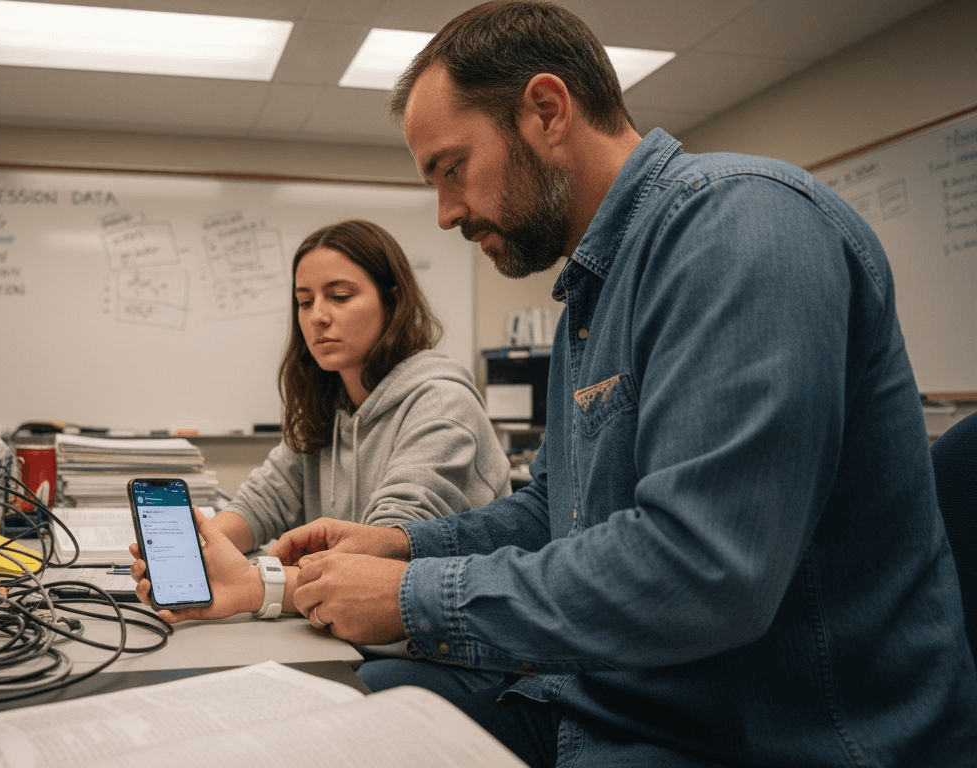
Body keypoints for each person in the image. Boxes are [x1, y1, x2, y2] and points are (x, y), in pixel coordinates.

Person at [272, 2, 977, 766]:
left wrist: (411, 596)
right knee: (322, 718)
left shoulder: (741, 229)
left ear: (547, 111)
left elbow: (704, 571)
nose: (446, 213)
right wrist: (403, 546)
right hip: (614, 701)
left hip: (767, 737)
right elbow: (555, 510)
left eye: (452, 168)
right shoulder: (593, 294)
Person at [131, 219, 510, 622]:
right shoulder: (329, 402)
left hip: (436, 639)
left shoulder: (442, 405)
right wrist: (191, 553)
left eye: (340, 296)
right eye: (305, 301)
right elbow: (263, 502)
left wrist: (249, 583)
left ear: (392, 301)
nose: (318, 317)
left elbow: (382, 563)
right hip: (345, 627)